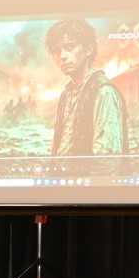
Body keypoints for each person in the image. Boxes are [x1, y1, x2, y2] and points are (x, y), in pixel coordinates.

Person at [43, 19, 129, 170]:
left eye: (69, 47)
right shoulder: (67, 94)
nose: (62, 56)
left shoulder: (103, 92)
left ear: (88, 49)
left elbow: (106, 162)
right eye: (56, 51)